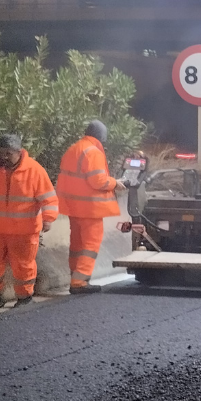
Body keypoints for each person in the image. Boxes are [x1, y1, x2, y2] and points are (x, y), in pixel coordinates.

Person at [0, 134, 58, 309]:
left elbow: (49, 198)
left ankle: (24, 297)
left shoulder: (35, 170)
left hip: (23, 231)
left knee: (23, 266)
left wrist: (48, 219)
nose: (4, 157)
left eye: (8, 153)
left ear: (19, 152)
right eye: (1, 153)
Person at [56, 120, 121, 294]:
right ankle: (80, 281)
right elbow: (98, 181)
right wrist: (116, 183)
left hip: (73, 206)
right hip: (89, 208)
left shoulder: (74, 148)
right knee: (90, 244)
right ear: (102, 136)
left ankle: (75, 276)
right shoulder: (93, 152)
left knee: (77, 244)